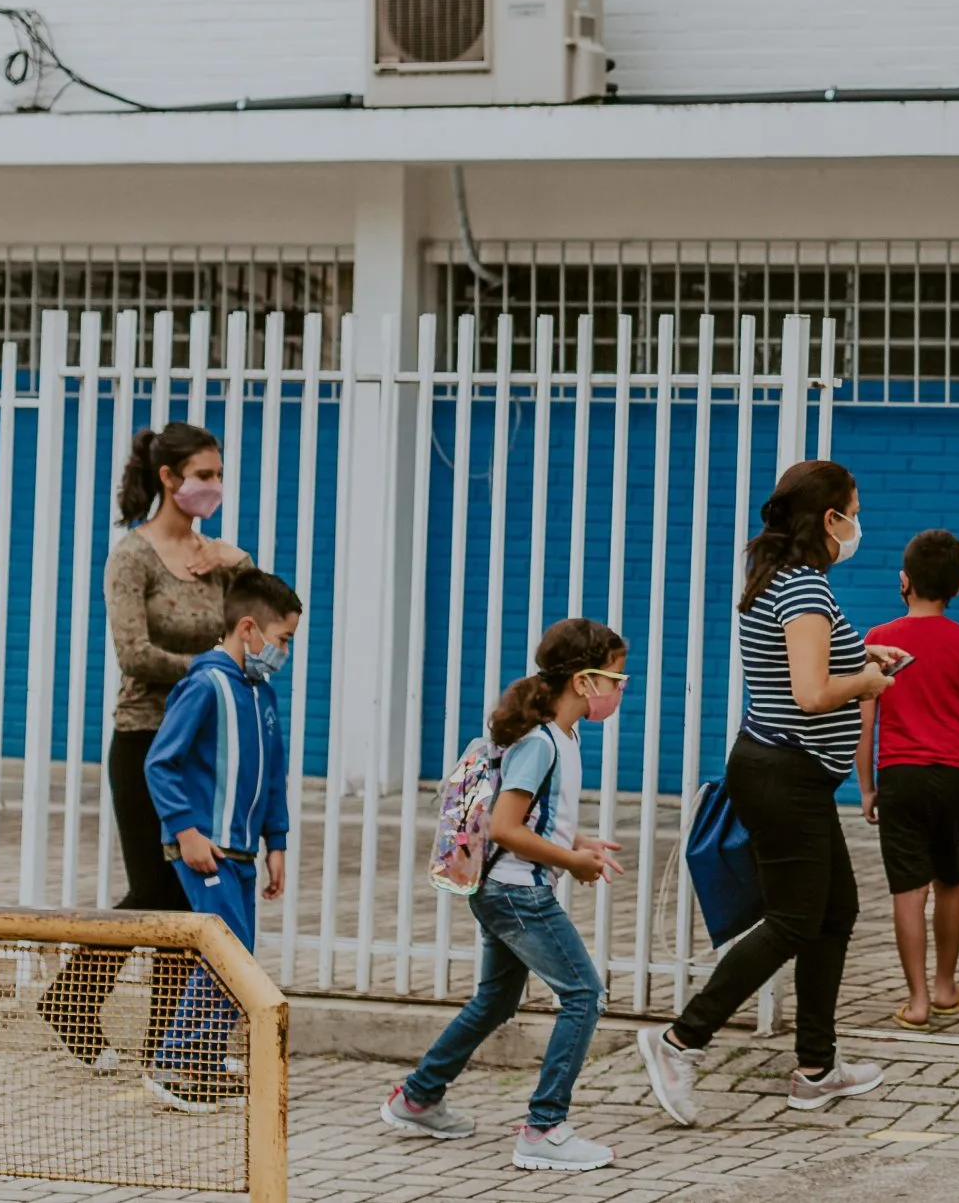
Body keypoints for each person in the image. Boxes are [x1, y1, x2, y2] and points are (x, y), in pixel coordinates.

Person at [637, 462, 904, 1123]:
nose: (858, 523)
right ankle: (679, 1041)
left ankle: (816, 1066)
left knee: (834, 911)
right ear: (829, 520)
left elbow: (801, 671)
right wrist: (867, 683)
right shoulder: (805, 591)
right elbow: (812, 693)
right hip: (785, 773)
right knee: (793, 919)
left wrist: (864, 656)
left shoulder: (779, 580)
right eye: (853, 509)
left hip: (787, 771)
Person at [382, 618, 629, 1172]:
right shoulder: (540, 742)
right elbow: (505, 827)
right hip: (516, 893)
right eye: (616, 679)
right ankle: (544, 1129)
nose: (620, 690)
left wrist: (576, 840)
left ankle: (418, 1098)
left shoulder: (562, 735)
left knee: (495, 999)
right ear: (584, 682)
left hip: (506, 889)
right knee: (585, 996)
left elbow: (531, 818)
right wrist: (573, 861)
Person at [40, 422, 250, 1073]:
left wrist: (238, 562)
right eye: (204, 475)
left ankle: (168, 1042)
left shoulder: (213, 555)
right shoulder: (132, 556)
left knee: (191, 891)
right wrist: (211, 671)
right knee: (156, 891)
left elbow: (261, 623)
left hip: (203, 746)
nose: (214, 486)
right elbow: (133, 652)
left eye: (218, 475)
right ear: (169, 477)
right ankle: (74, 998)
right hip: (145, 738)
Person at [140, 567, 298, 1114]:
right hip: (206, 848)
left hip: (245, 852)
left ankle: (203, 1058)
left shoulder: (265, 694)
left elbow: (274, 776)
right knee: (226, 957)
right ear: (249, 628)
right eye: (283, 640)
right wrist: (186, 831)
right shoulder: (204, 686)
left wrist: (276, 841)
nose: (284, 652)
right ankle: (176, 1060)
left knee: (240, 956)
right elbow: (161, 762)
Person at [858, 528, 959, 1029]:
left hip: (899, 775)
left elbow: (866, 723)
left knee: (908, 889)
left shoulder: (878, 640)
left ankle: (916, 1002)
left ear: (905, 580)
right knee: (951, 878)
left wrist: (866, 787)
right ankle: (946, 986)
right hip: (955, 777)